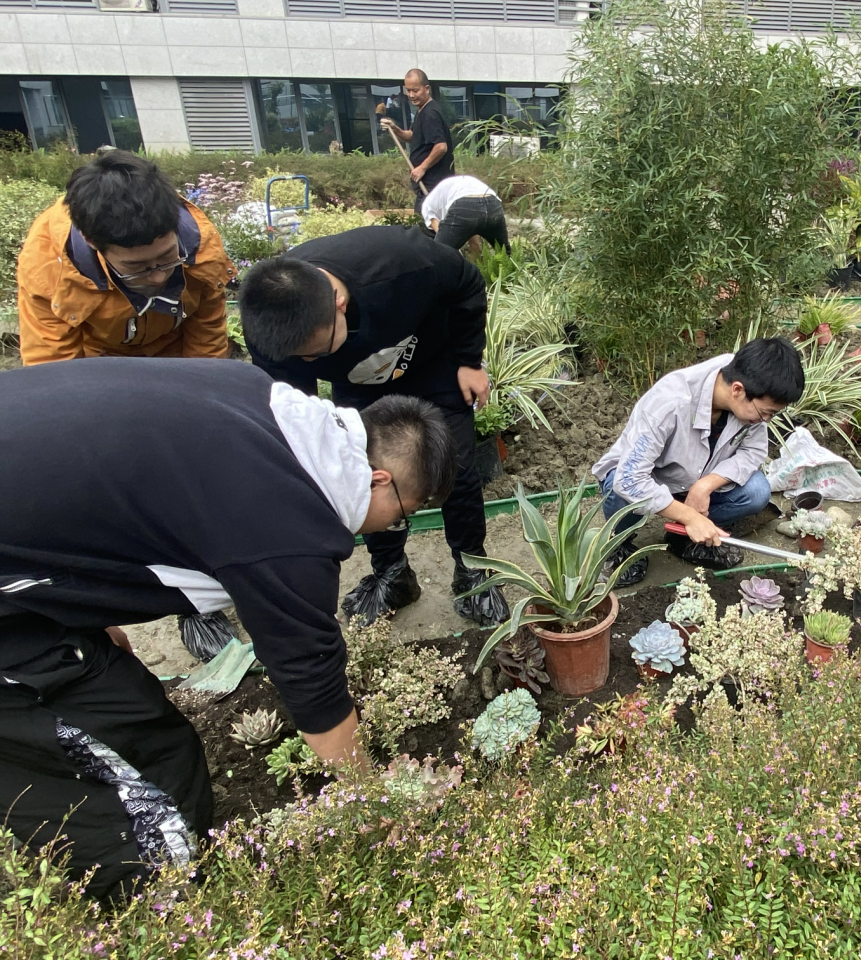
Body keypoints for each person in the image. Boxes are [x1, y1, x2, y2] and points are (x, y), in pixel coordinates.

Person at [0, 358, 454, 900]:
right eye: (402, 515)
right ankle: (153, 902)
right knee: (142, 820)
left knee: (148, 729)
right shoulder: (288, 534)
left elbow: (105, 483)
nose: (392, 526)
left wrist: (90, 615)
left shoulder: (261, 397)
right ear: (379, 480)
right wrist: (373, 802)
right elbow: (314, 691)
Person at [237, 225, 508, 627]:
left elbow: (466, 282)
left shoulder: (402, 262)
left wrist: (470, 360)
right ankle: (392, 573)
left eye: (317, 352)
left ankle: (472, 571)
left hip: (432, 359)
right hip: (358, 383)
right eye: (301, 358)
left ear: (339, 304)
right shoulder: (270, 325)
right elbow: (294, 402)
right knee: (362, 476)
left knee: (459, 468)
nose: (309, 363)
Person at [592, 338, 805, 585]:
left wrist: (705, 486)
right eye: (765, 413)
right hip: (647, 478)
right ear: (737, 390)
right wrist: (690, 517)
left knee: (756, 492)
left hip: (696, 477)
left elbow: (753, 451)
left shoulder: (749, 384)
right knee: (618, 488)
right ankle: (620, 544)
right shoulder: (670, 401)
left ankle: (684, 538)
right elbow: (629, 479)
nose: (766, 420)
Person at [16, 150, 234, 365]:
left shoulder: (202, 247)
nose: (158, 277)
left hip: (175, 350)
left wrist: (202, 382)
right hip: (100, 360)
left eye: (167, 256)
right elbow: (55, 367)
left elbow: (207, 344)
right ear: (91, 242)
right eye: (137, 266)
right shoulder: (47, 268)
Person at [379, 69, 455, 213]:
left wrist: (422, 168)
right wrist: (394, 128)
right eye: (408, 90)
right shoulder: (422, 111)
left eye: (415, 90)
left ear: (427, 89)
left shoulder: (430, 114)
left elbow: (441, 146)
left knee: (425, 223)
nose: (411, 95)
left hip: (433, 187)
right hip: (427, 185)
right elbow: (413, 136)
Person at [422, 174, 510, 253]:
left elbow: (439, 231)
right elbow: (472, 227)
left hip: (464, 204)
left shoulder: (427, 206)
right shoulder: (448, 190)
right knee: (505, 253)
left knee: (439, 253)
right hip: (492, 202)